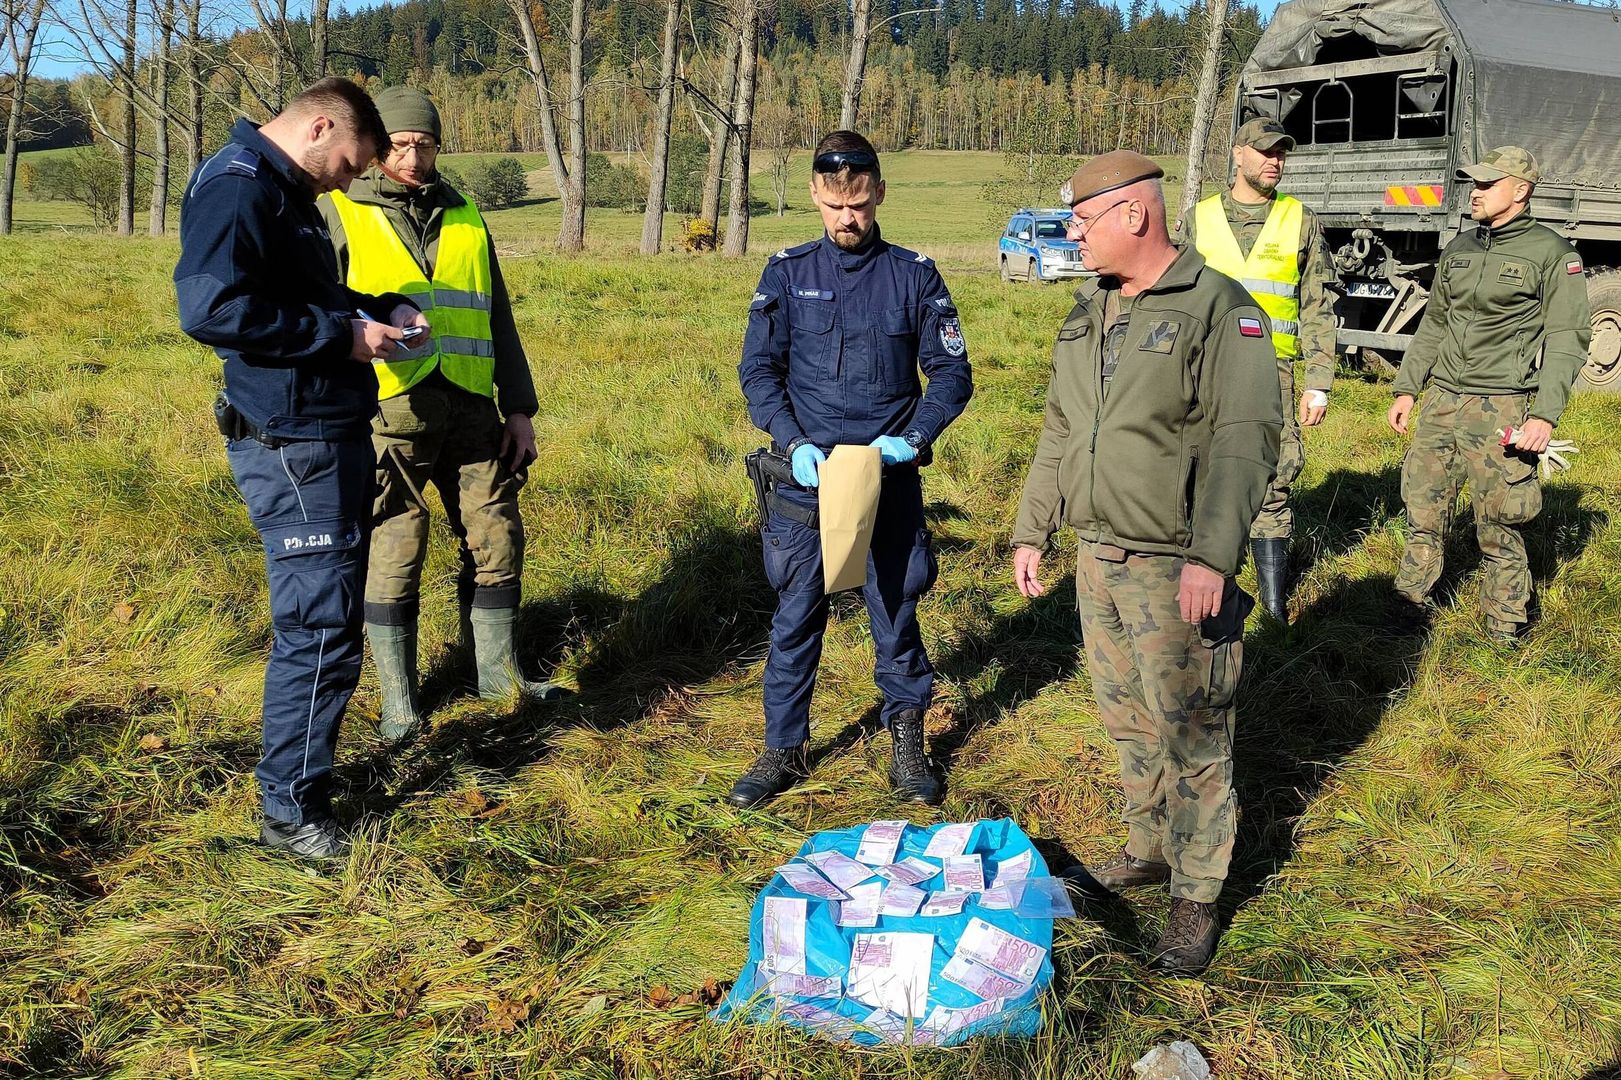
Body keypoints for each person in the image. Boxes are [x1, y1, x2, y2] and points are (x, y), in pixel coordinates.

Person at [1010, 150, 1281, 975]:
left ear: (1133, 215)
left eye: (1083, 222)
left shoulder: (1217, 309)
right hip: (1099, 558)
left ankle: (1194, 900)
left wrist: (1213, 555)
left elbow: (1245, 440)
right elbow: (1061, 429)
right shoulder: (1086, 313)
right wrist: (1033, 528)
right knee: (1127, 718)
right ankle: (1149, 849)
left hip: (1178, 567)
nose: (1073, 237)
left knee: (1193, 732)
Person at [174, 78, 429, 860]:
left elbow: (306, 294)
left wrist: (379, 307)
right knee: (318, 627)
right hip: (292, 444)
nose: (348, 181)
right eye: (349, 164)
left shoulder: (283, 190)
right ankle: (290, 814)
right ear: (319, 127)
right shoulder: (238, 188)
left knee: (330, 619)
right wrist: (343, 339)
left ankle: (300, 784)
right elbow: (211, 311)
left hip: (324, 431)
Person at [732, 129, 973, 809]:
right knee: (795, 615)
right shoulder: (786, 273)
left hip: (885, 480)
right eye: (836, 207)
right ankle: (782, 748)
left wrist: (915, 437)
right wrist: (789, 438)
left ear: (878, 196)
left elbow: (952, 373)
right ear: (814, 195)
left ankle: (905, 741)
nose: (848, 219)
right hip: (805, 484)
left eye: (860, 206)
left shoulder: (915, 275)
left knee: (894, 612)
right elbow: (758, 370)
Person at [317, 86, 561, 746]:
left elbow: (497, 317)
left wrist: (520, 408)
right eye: (398, 144)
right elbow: (321, 312)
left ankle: (498, 678)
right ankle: (400, 702)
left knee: (498, 537)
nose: (412, 156)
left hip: (474, 410)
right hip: (387, 414)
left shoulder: (468, 215)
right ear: (374, 149)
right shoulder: (338, 210)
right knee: (396, 548)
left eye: (424, 143)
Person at [1388, 146, 1591, 643]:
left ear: (1520, 190)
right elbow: (1435, 323)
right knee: (1423, 509)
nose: (1473, 193)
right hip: (1440, 400)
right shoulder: (1459, 248)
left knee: (1500, 521)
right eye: (1473, 184)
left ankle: (1504, 626)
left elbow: (1568, 339)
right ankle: (1409, 606)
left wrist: (1544, 415)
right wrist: (1408, 387)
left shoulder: (1551, 254)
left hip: (1499, 404)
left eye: (1485, 184)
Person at [1184, 117, 1338, 624]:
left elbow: (1318, 305)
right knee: (1199, 470)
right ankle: (1208, 585)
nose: (1275, 161)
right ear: (1238, 155)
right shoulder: (1198, 219)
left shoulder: (1300, 220)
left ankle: (1273, 608)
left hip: (1274, 371)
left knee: (1274, 473)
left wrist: (1319, 382)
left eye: (1282, 154)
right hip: (1204, 367)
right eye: (1266, 152)